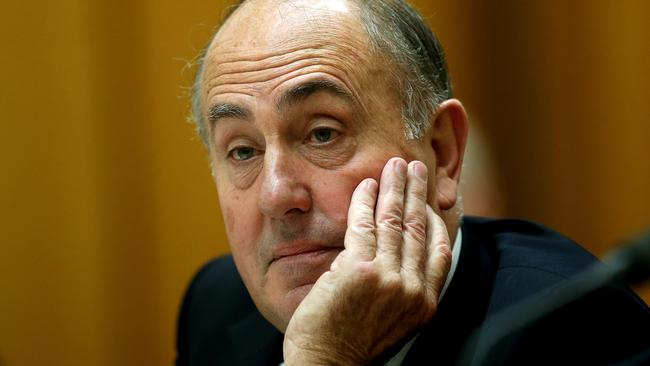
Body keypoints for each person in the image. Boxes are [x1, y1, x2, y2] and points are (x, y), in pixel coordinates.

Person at [175, 0, 650, 365]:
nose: (277, 194)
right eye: (242, 151)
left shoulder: (569, 328)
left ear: (442, 153)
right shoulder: (217, 307)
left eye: (323, 133)